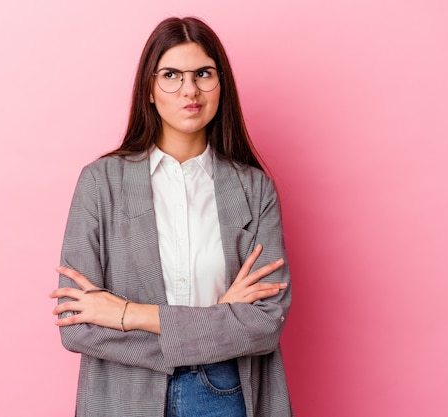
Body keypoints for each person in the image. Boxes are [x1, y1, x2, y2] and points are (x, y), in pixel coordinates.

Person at [49, 16, 293, 417]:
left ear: (221, 84)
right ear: (149, 88)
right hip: (123, 397)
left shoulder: (254, 190)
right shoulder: (100, 183)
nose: (189, 90)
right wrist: (218, 321)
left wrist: (126, 315)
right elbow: (78, 325)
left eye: (203, 73)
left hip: (225, 394)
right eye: (171, 75)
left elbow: (265, 324)